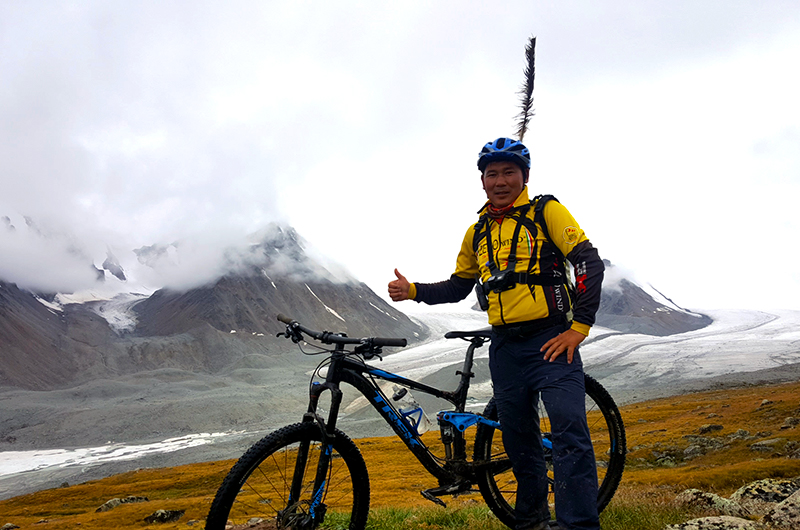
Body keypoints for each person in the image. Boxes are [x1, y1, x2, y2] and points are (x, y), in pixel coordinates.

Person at [388, 137, 605, 530]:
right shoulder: (477, 232)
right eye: (492, 174)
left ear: (525, 177)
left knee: (568, 432)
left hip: (551, 339)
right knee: (520, 444)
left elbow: (588, 261)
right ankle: (531, 524)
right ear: (482, 181)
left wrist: (579, 328)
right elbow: (458, 286)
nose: (500, 180)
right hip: (505, 348)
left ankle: (579, 525)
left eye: (509, 172)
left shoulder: (547, 211)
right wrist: (414, 291)